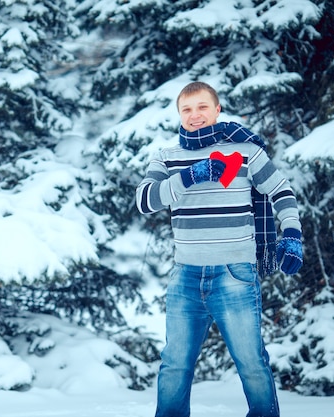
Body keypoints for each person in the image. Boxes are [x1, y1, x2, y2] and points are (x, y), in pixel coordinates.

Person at [135, 81, 303, 417]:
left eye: (201, 107)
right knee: (174, 364)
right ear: (180, 116)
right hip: (185, 276)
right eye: (187, 109)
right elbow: (144, 200)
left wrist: (292, 234)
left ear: (217, 110)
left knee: (252, 362)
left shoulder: (245, 152)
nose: (194, 115)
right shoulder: (167, 158)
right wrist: (189, 177)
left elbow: (282, 192)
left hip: (235, 274)